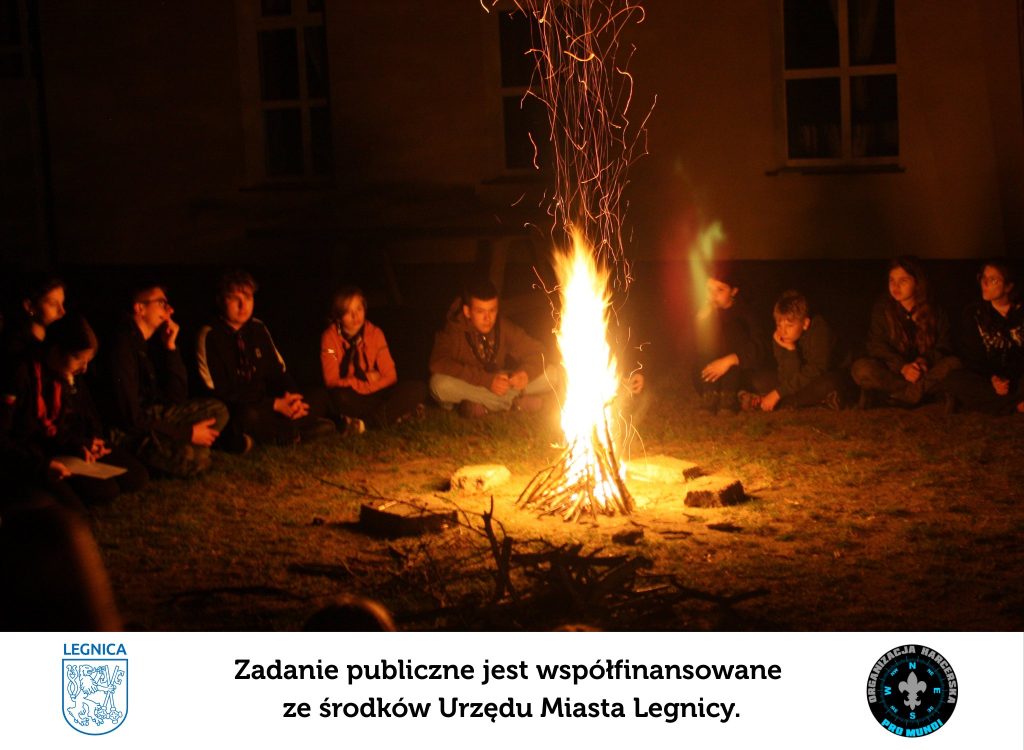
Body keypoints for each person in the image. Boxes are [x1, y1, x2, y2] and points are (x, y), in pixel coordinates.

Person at [1, 314, 148, 513]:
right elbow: (8, 438)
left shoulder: (65, 375)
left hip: (55, 447)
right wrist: (42, 466)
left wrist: (80, 444)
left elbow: (64, 424)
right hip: (26, 458)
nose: (84, 368)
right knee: (94, 496)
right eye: (79, 359)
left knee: (135, 477)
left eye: (88, 361)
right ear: (55, 351)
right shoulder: (21, 374)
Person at [196, 270, 335, 449]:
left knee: (319, 396)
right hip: (241, 407)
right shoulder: (209, 335)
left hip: (269, 403)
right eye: (235, 298)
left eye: (248, 298)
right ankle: (296, 433)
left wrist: (293, 399)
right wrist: (272, 405)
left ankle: (269, 436)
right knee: (248, 416)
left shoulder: (258, 328)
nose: (242, 305)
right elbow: (217, 391)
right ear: (221, 300)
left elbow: (279, 372)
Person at [106, 282, 228, 476]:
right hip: (127, 431)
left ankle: (175, 447)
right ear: (140, 308)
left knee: (217, 410)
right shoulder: (122, 345)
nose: (170, 310)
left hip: (151, 417)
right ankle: (160, 453)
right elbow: (130, 417)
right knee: (197, 462)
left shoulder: (146, 344)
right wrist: (187, 433)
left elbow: (176, 398)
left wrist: (170, 347)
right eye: (162, 303)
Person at [428, 278, 560, 418]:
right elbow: (438, 363)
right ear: (467, 311)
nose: (488, 318)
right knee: (439, 385)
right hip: (469, 384)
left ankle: (481, 405)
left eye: (492, 310)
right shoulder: (453, 330)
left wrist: (526, 373)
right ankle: (512, 403)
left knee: (553, 374)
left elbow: (537, 350)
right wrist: (487, 381)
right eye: (480, 311)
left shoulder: (502, 326)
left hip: (500, 383)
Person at [851, 256, 960, 408]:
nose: (895, 286)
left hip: (925, 371)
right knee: (861, 369)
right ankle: (918, 394)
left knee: (954, 364)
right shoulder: (883, 308)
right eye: (891, 280)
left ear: (917, 283)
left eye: (903, 281)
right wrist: (903, 367)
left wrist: (924, 361)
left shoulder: (934, 309)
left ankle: (903, 396)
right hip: (895, 372)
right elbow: (876, 345)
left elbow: (945, 344)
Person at [320, 286, 426, 429]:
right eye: (348, 312)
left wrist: (369, 387)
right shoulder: (330, 338)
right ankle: (395, 414)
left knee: (417, 388)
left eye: (359, 309)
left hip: (377, 391)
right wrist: (364, 378)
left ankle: (366, 423)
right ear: (338, 316)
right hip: (352, 395)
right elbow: (332, 381)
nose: (355, 316)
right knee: (340, 397)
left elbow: (391, 376)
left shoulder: (375, 333)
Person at [741, 290, 850, 411]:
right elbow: (786, 377)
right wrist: (790, 350)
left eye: (789, 326)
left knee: (829, 384)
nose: (783, 331)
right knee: (758, 381)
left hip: (822, 377)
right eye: (779, 325)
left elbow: (816, 370)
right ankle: (800, 402)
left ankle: (779, 402)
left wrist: (777, 394)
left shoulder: (820, 330)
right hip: (798, 381)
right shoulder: (780, 336)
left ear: (805, 323)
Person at [944, 260, 1024, 414]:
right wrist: (993, 378)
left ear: (1008, 286)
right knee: (954, 380)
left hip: (1018, 375)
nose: (985, 283)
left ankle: (994, 404)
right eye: (983, 278)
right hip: (989, 377)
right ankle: (1016, 404)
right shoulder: (974, 313)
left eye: (993, 280)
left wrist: (1010, 378)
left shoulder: (1020, 312)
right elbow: (973, 356)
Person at [692, 263, 766, 413]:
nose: (713, 295)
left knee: (733, 329)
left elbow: (760, 345)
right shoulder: (707, 312)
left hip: (740, 367)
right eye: (709, 289)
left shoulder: (745, 313)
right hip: (711, 371)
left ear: (734, 291)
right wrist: (701, 323)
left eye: (720, 290)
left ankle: (730, 396)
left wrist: (731, 359)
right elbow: (694, 350)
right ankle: (711, 395)